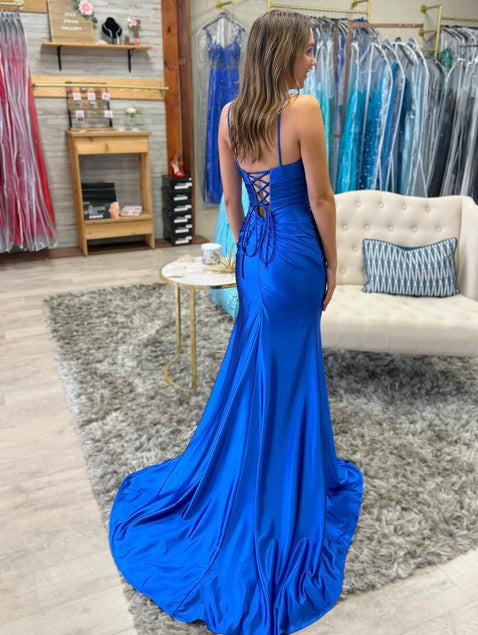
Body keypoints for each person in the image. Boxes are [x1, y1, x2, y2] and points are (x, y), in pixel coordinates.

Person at [109, 10, 363, 635]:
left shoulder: (228, 116)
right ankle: (274, 489)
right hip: (296, 257)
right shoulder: (303, 110)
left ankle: (261, 467)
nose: (313, 60)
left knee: (260, 370)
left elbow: (231, 202)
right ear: (283, 54)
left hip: (255, 257)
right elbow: (321, 199)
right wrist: (332, 265)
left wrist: (254, 252)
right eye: (308, 50)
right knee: (287, 372)